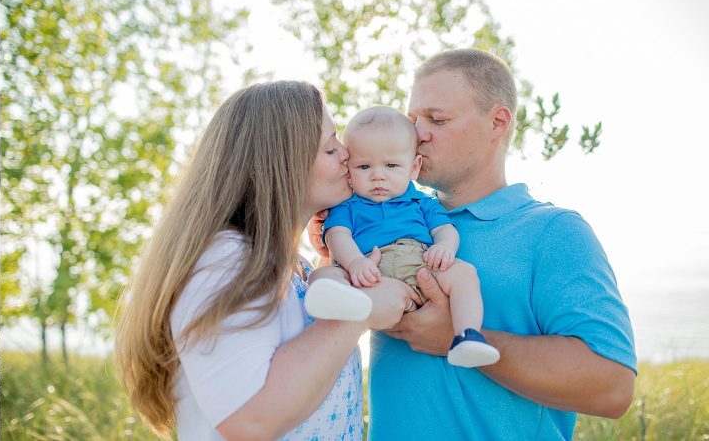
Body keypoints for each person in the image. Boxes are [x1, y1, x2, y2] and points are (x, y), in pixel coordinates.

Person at [117, 81, 418, 439]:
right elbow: (249, 419)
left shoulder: (296, 267)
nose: (347, 155)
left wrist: (333, 260)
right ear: (283, 163)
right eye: (330, 147)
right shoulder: (227, 260)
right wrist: (361, 313)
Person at [364, 49, 636, 439]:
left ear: (497, 122)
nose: (417, 133)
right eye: (413, 120)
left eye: (437, 119)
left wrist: (457, 338)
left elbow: (613, 387)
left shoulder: (554, 232)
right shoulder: (387, 220)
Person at [304, 106, 500, 368]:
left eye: (392, 165)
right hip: (364, 269)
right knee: (324, 275)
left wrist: (444, 248)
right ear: (348, 168)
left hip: (418, 263)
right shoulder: (347, 204)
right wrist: (354, 264)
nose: (378, 175)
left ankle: (468, 336)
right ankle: (334, 304)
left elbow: (445, 229)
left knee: (464, 274)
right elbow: (336, 236)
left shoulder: (421, 201)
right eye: (364, 166)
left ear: (414, 167)